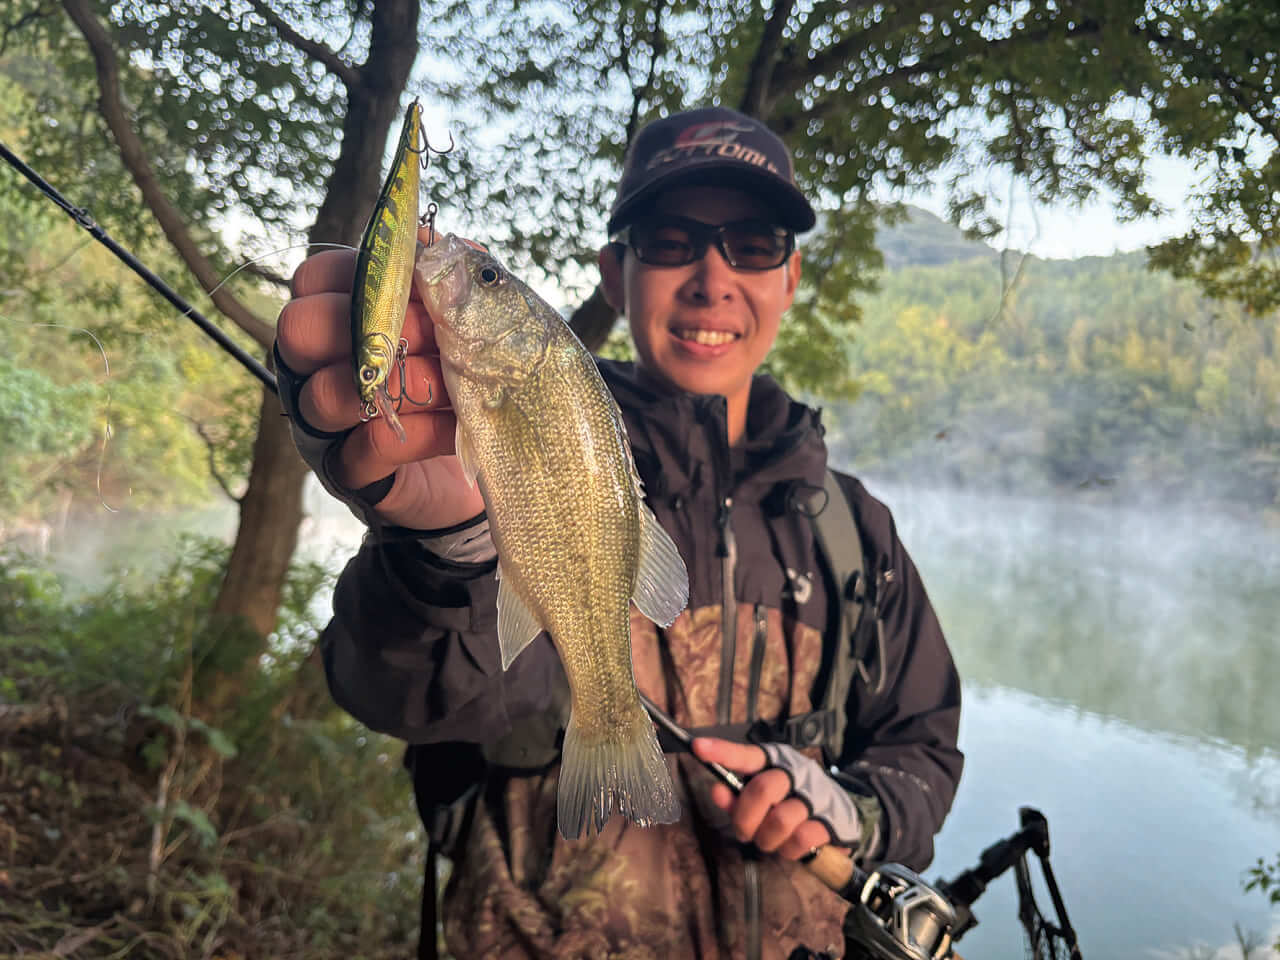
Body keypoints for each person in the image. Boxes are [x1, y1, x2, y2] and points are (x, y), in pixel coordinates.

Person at [274, 105, 963, 960]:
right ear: (613, 273)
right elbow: (400, 696)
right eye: (671, 239)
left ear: (789, 278)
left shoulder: (856, 532)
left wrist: (852, 810)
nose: (713, 278)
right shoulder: (496, 431)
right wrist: (447, 547)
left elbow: (923, 747)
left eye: (752, 245)